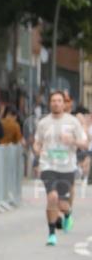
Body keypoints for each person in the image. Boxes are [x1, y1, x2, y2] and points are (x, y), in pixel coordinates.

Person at [33, 90, 88, 246]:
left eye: (59, 101)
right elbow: (37, 142)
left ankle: (68, 213)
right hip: (48, 165)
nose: (56, 103)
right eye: (53, 101)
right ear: (50, 103)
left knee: (63, 205)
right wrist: (37, 150)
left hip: (67, 167)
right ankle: (51, 234)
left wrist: (72, 140)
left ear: (64, 104)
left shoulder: (73, 122)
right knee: (52, 198)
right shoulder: (43, 123)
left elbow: (84, 143)